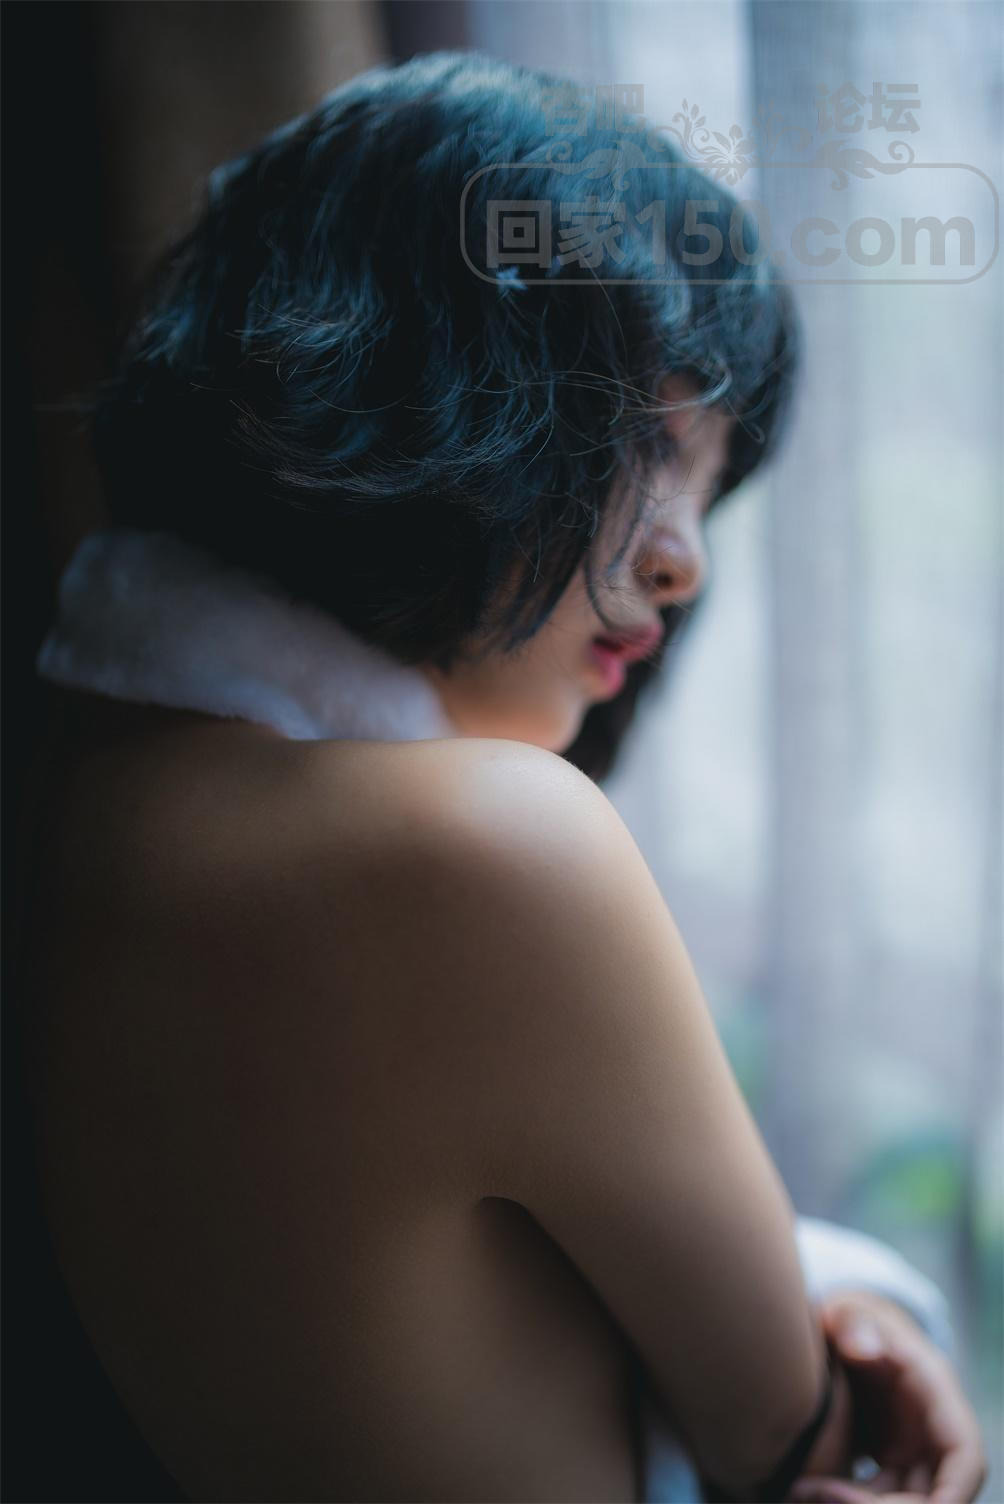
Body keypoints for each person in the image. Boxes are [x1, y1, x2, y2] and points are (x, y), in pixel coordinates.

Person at [15, 50, 986, 1504]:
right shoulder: (484, 846)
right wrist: (869, 1314)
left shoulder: (96, 754)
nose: (685, 563)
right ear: (412, 378)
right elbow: (803, 1448)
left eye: (710, 486)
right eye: (646, 445)